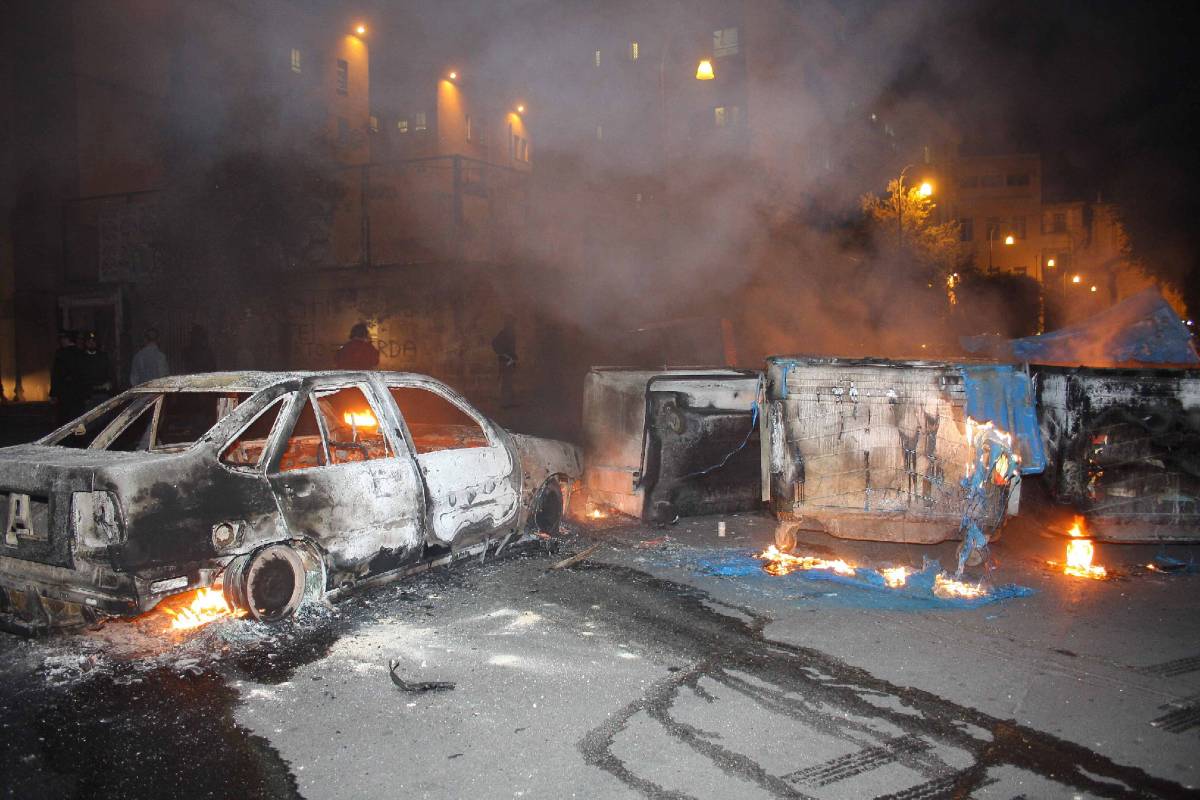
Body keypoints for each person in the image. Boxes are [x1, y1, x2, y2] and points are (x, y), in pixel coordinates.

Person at [49, 330, 86, 424]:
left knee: (64, 418)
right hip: (78, 392)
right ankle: (79, 437)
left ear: (67, 339)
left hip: (64, 392)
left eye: (63, 339)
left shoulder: (61, 354)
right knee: (78, 418)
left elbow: (56, 375)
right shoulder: (81, 353)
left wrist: (53, 393)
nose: (61, 341)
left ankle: (66, 437)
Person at [80, 332, 114, 408]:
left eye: (93, 342)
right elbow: (80, 378)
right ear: (85, 343)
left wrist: (110, 386)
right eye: (89, 342)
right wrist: (85, 395)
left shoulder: (103, 356)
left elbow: (110, 373)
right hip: (89, 395)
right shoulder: (81, 358)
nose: (91, 344)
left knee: (105, 417)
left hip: (103, 394)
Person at [492, 315, 518, 408]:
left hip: (510, 360)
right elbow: (494, 343)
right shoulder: (504, 333)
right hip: (505, 360)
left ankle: (508, 401)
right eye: (511, 322)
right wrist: (503, 354)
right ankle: (504, 403)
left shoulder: (510, 333)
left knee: (509, 381)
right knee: (505, 381)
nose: (513, 324)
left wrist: (513, 358)